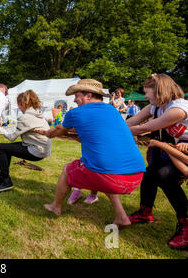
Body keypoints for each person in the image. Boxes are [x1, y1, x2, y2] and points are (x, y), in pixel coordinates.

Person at [38, 79, 145, 227]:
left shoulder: (75, 113)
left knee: (68, 170)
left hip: (111, 176)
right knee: (104, 171)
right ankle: (121, 216)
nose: (75, 100)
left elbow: (57, 131)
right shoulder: (112, 110)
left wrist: (46, 133)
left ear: (88, 95)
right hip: (136, 176)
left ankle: (55, 206)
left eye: (77, 95)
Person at [126, 73, 187, 250]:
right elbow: (134, 120)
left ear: (159, 90)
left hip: (184, 149)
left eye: (147, 92)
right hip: (180, 147)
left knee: (165, 175)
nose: (145, 96)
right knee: (150, 173)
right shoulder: (157, 106)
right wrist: (112, 127)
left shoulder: (178, 108)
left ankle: (186, 223)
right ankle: (145, 212)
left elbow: (145, 128)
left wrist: (114, 133)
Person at [0, 90, 52, 193]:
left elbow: (11, 137)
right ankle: (3, 175)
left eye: (18, 105)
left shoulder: (25, 117)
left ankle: (6, 181)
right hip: (43, 150)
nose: (18, 107)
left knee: (0, 147)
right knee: (7, 148)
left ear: (21, 104)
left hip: (36, 151)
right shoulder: (38, 114)